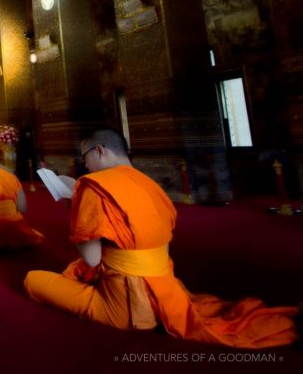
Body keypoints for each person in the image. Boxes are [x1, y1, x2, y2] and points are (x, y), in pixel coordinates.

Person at [24, 127, 299, 348]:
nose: (85, 164)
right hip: (167, 289)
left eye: (85, 157)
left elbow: (92, 258)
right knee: (76, 273)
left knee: (33, 280)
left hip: (128, 306)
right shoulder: (150, 184)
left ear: (99, 151)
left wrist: (75, 209)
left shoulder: (94, 188)